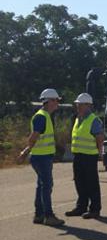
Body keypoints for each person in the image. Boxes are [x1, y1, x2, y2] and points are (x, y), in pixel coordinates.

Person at [17, 89, 65, 226]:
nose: (57, 103)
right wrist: (26, 151)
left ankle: (39, 215)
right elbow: (33, 137)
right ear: (48, 101)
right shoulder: (42, 117)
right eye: (56, 100)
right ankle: (48, 216)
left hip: (42, 157)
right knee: (47, 186)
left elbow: (36, 138)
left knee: (41, 185)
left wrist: (26, 152)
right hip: (42, 158)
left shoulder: (45, 116)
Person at [64, 93, 104, 219]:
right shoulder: (78, 118)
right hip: (78, 155)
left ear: (88, 105)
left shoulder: (94, 120)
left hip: (89, 156)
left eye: (80, 104)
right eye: (77, 104)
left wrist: (100, 152)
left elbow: (99, 137)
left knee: (91, 183)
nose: (78, 106)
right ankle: (81, 207)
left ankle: (95, 209)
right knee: (79, 181)